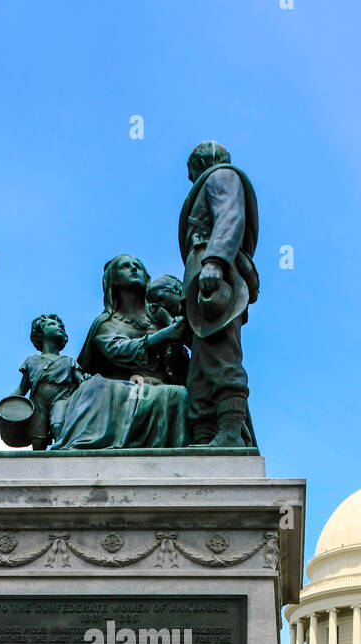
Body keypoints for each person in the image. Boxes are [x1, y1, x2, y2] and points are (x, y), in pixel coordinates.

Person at [51, 254, 190, 451]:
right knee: (97, 388)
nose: (134, 269)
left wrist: (170, 327)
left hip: (162, 386)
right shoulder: (106, 323)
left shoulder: (160, 317)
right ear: (114, 279)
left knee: (181, 394)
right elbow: (119, 350)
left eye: (138, 266)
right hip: (119, 386)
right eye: (126, 266)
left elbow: (180, 360)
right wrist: (164, 335)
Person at [178, 141, 260, 447]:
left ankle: (229, 433)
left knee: (222, 355)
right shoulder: (210, 180)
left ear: (202, 161)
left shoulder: (221, 175)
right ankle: (206, 435)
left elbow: (230, 216)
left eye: (191, 172)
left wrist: (215, 261)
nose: (191, 180)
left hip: (215, 275)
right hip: (200, 279)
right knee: (201, 367)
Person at [5, 313, 84, 449]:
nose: (58, 326)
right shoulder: (31, 361)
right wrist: (5, 403)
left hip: (62, 399)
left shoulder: (69, 362)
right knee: (37, 438)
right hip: (38, 404)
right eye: (52, 324)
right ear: (40, 334)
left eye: (60, 325)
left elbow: (83, 383)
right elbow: (21, 389)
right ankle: (37, 466)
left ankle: (62, 455)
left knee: (58, 425)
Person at [146, 274, 191, 386]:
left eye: (161, 298)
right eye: (156, 304)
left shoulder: (193, 308)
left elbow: (197, 342)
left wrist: (169, 321)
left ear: (176, 288)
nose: (162, 306)